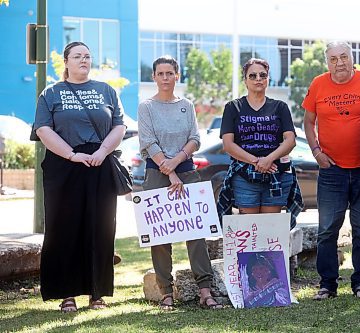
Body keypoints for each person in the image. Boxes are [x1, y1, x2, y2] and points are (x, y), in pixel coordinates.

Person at [33, 41, 126, 312]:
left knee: (101, 228)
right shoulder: (50, 93)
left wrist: (103, 150)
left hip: (100, 165)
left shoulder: (106, 90)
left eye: (87, 56)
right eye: (77, 56)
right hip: (64, 166)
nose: (84, 60)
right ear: (66, 62)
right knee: (64, 229)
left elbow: (119, 125)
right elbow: (43, 129)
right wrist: (72, 155)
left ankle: (97, 294)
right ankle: (67, 294)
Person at [138, 55, 222, 310]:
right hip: (156, 173)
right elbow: (148, 142)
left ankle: (205, 291)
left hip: (186, 172)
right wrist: (169, 171)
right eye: (160, 73)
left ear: (177, 75)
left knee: (196, 232)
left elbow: (195, 138)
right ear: (154, 77)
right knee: (160, 235)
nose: (165, 78)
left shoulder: (186, 105)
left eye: (169, 73)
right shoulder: (146, 107)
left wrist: (176, 164)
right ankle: (166, 293)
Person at [302, 41, 360, 300]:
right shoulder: (318, 84)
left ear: (352, 58)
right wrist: (316, 152)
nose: (339, 63)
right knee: (327, 230)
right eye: (334, 59)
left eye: (344, 57)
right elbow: (309, 120)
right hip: (331, 170)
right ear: (328, 62)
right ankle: (327, 284)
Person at [217, 58, 303, 227]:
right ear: (245, 80)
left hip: (276, 174)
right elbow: (228, 145)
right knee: (250, 231)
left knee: (270, 230)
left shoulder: (280, 107)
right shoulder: (233, 107)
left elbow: (290, 140)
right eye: (253, 75)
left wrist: (268, 159)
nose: (258, 79)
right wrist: (257, 161)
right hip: (244, 176)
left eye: (262, 75)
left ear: (267, 79)